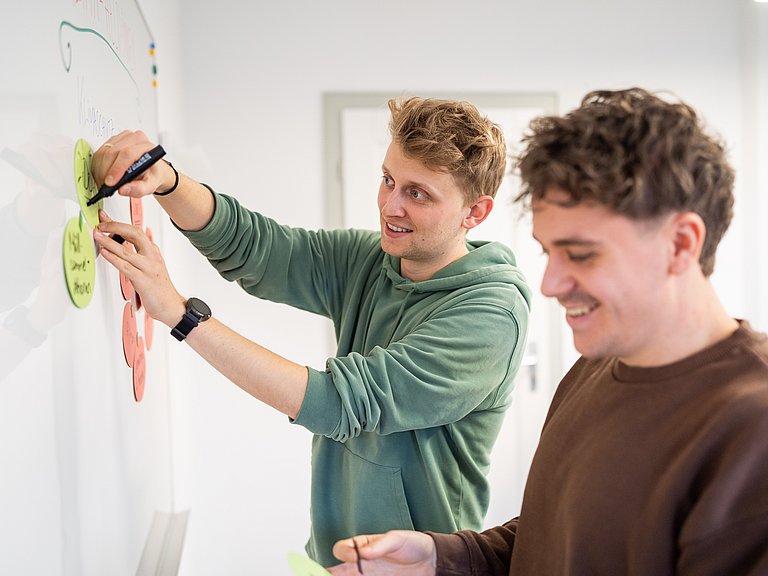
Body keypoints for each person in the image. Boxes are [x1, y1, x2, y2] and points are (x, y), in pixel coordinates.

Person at [328, 87, 768, 575]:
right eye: (548, 252)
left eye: (580, 254)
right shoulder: (596, 367)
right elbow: (555, 537)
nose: (551, 284)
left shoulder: (752, 428)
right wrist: (445, 558)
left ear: (680, 244)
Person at [91, 97, 532, 567]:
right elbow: (260, 249)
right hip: (332, 560)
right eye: (388, 180)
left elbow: (342, 403)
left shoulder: (490, 314)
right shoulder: (373, 260)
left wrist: (181, 314)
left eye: (418, 194)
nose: (390, 206)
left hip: (411, 570)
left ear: (476, 212)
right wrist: (168, 181)